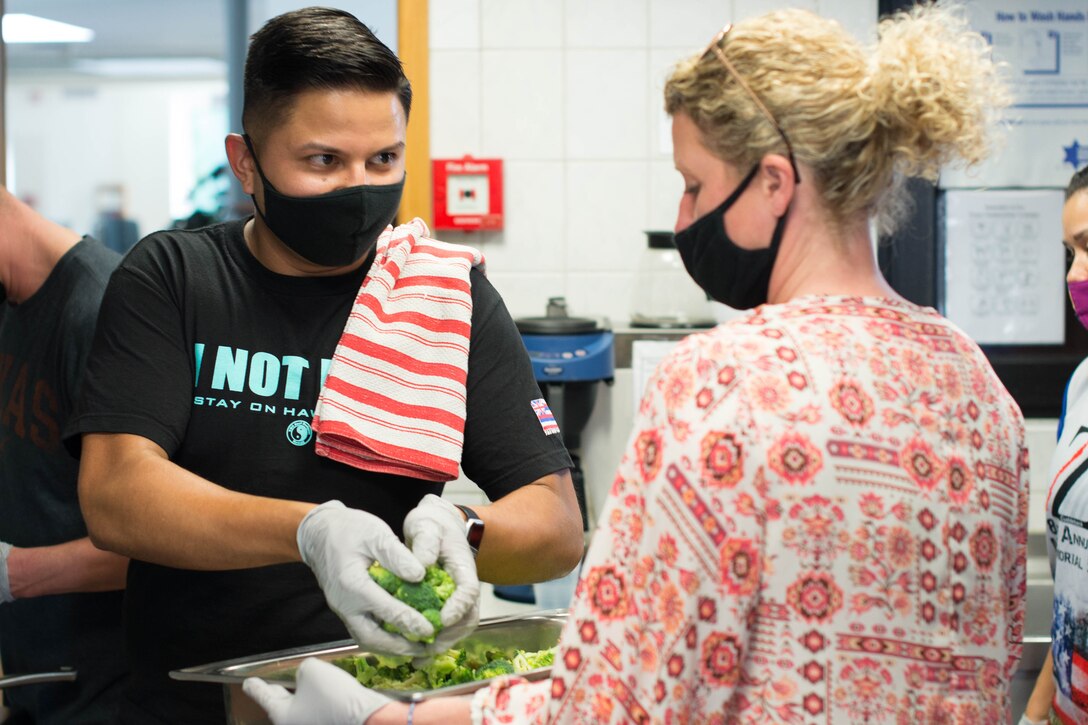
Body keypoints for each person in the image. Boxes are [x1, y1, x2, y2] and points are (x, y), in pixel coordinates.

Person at [243, 4, 1029, 723]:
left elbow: (615, 701)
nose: (682, 218)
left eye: (694, 186)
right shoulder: (973, 379)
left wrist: (387, 720)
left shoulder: (726, 381)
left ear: (775, 183)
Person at [66, 7, 582, 725]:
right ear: (247, 161)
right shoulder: (175, 277)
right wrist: (310, 531)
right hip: (195, 701)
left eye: (383, 161)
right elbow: (116, 492)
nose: (360, 188)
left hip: (383, 700)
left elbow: (557, 523)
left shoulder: (440, 294)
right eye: (323, 161)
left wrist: (462, 532)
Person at [0, 186, 128, 723]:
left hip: (101, 693)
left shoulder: (100, 308)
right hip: (38, 681)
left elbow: (159, 539)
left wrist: (12, 575)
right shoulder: (15, 304)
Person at [1020, 165, 1088, 724]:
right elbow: (1073, 589)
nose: (1075, 275)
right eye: (1070, 253)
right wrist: (1037, 712)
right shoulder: (1081, 386)